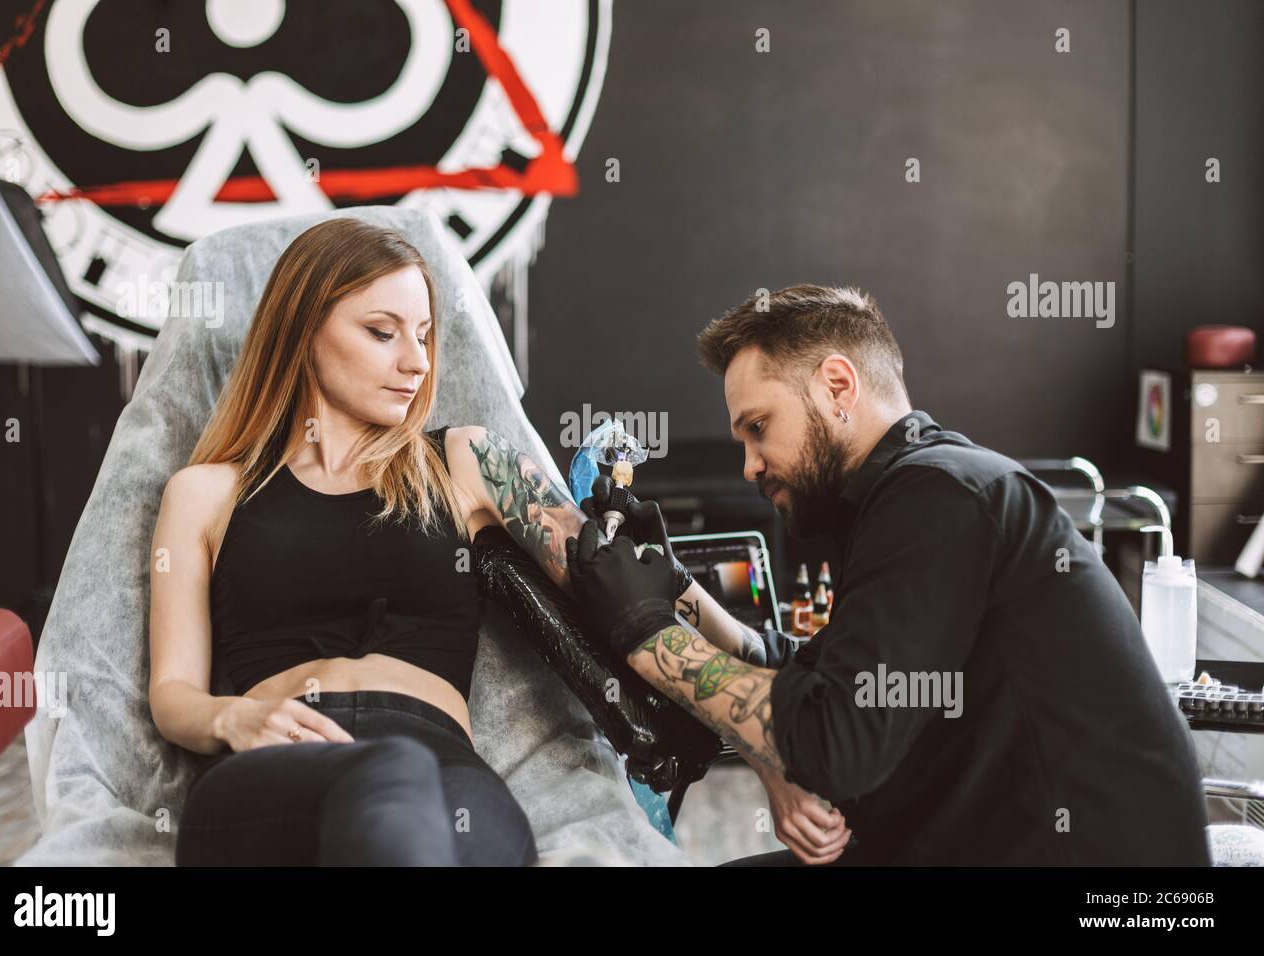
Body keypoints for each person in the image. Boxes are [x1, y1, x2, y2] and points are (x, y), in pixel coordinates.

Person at [566, 284, 1211, 866]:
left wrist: (646, 629)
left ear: (838, 387)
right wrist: (678, 589)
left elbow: (835, 740)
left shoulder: (938, 497)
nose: (749, 466)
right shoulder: (911, 494)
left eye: (758, 428)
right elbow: (810, 674)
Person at [152, 218, 583, 865]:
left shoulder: (461, 462)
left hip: (441, 767)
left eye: (424, 335)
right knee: (392, 780)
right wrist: (227, 718)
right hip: (276, 770)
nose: (417, 361)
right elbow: (172, 692)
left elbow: (619, 583)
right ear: (301, 333)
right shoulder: (204, 492)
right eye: (382, 332)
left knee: (436, 812)